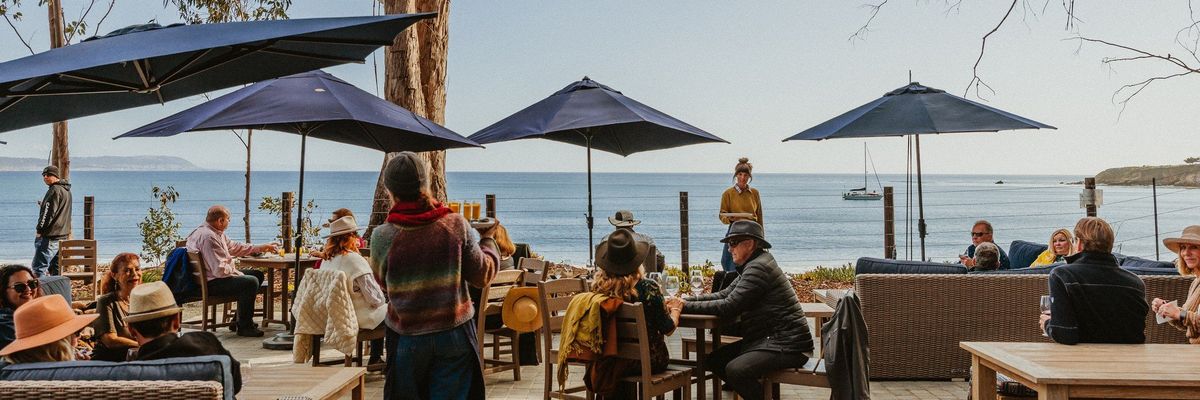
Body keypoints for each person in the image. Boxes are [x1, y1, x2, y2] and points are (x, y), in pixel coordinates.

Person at [368, 152, 499, 400]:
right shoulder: (455, 225)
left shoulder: (383, 236)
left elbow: (382, 283)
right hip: (454, 334)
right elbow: (483, 275)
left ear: (390, 190)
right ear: (425, 184)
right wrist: (489, 240)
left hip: (407, 337)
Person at [666, 220, 812, 400]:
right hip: (768, 340)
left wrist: (682, 305)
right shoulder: (754, 264)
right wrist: (685, 300)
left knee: (736, 370)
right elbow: (724, 294)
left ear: (750, 243)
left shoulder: (758, 267)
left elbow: (729, 305)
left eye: (733, 243)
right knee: (715, 361)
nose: (729, 249)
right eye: (729, 243)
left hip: (788, 345)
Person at [588, 228, 679, 397]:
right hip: (649, 361)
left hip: (612, 358)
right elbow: (668, 328)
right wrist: (675, 310)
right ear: (636, 261)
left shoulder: (598, 290)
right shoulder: (647, 288)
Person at [1040, 217, 1147, 345]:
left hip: (1081, 361)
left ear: (1079, 244)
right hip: (1131, 362)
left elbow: (1065, 335)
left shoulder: (1062, 276)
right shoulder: (1135, 282)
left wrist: (1047, 323)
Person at [126, 281, 243, 394]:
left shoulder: (128, 376)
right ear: (177, 321)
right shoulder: (206, 343)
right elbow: (235, 384)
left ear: (131, 330)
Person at [185, 205, 276, 337]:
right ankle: (245, 326)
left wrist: (260, 248)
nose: (229, 222)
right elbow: (219, 270)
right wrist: (235, 268)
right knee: (250, 282)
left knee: (257, 275)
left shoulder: (213, 233)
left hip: (211, 278)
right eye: (228, 219)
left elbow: (234, 247)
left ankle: (238, 320)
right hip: (210, 283)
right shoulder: (208, 237)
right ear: (220, 220)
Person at [320, 215, 387, 365]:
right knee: (391, 311)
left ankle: (376, 357)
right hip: (357, 317)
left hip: (333, 317)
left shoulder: (327, 260)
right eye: (355, 234)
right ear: (349, 238)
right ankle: (377, 358)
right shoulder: (355, 260)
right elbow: (375, 299)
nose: (358, 238)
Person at [0, 294, 96, 364]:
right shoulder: (75, 378)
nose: (79, 337)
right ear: (61, 344)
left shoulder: (9, 370)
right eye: (76, 332)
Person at [1152, 225, 1200, 343]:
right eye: (1183, 247)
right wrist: (1166, 309)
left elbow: (1185, 316)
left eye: (1193, 247)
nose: (1186, 253)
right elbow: (1187, 323)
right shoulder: (1196, 281)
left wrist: (1179, 313)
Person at [91, 253, 143, 361]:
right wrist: (143, 346)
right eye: (127, 270)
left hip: (136, 360)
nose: (134, 274)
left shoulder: (144, 299)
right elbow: (110, 340)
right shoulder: (106, 302)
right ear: (114, 275)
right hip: (109, 363)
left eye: (137, 269)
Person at [718, 158, 763, 272]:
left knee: (749, 262)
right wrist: (730, 218)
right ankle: (733, 285)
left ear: (750, 177)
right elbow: (722, 215)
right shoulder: (728, 194)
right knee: (727, 261)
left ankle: (746, 284)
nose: (743, 178)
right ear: (736, 175)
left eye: (746, 175)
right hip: (734, 231)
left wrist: (761, 237)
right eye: (740, 174)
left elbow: (759, 216)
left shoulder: (755, 193)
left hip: (751, 232)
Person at [32, 165, 72, 278]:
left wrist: (39, 230)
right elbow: (59, 210)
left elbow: (48, 214)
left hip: (50, 236)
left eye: (48, 175)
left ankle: (40, 294)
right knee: (56, 269)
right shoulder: (66, 190)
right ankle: (56, 292)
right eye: (43, 175)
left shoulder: (54, 190)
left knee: (38, 268)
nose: (45, 177)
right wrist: (44, 205)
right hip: (62, 235)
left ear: (55, 176)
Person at [1, 264, 42, 350]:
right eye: (19, 287)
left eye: (32, 284)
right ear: (4, 291)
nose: (28, 290)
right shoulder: (5, 323)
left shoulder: (35, 313)